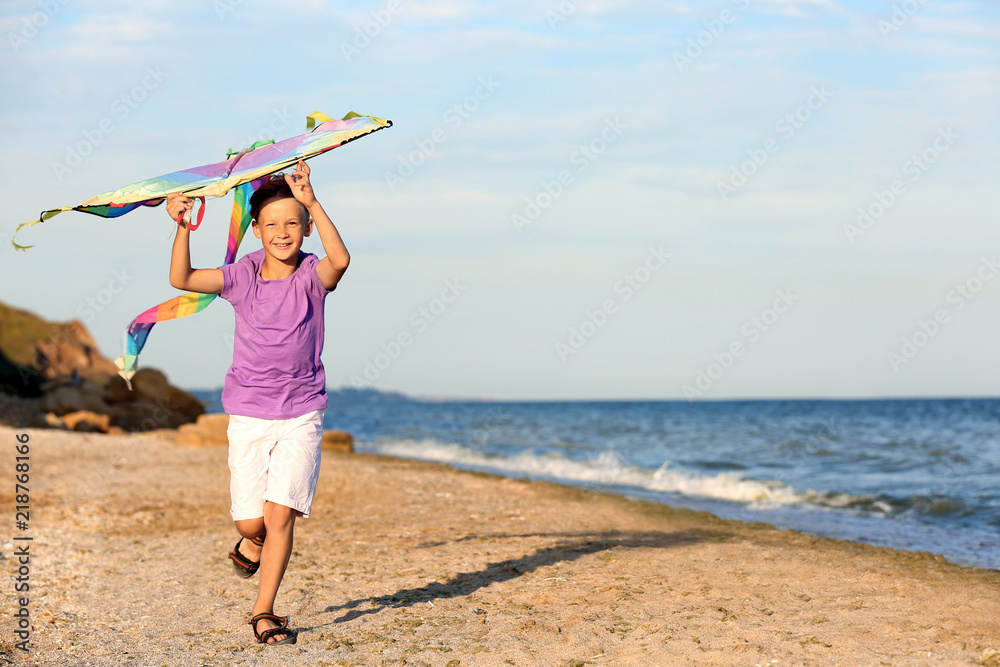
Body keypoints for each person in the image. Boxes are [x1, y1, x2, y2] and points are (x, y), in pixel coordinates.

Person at [166, 160, 348, 646]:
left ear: (306, 228)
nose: (283, 232)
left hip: (302, 411)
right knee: (254, 522)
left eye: (293, 222)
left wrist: (312, 199)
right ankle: (252, 540)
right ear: (256, 230)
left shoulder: (313, 273)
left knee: (281, 513)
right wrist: (183, 225)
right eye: (271, 224)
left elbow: (342, 260)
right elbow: (180, 277)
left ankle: (264, 611)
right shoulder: (241, 276)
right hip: (248, 412)